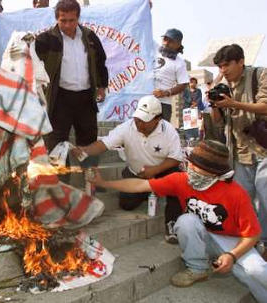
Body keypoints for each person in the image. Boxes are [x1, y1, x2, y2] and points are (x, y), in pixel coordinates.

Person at [88, 140, 267, 302]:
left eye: (195, 166)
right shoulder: (181, 180)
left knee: (256, 272)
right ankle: (197, 268)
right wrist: (104, 183)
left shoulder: (236, 193)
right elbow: (140, 185)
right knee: (185, 221)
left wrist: (232, 255)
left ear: (213, 172)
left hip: (232, 241)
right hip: (201, 236)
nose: (189, 168)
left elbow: (253, 234)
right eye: (189, 163)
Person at [73, 95, 183, 244]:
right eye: (137, 119)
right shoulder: (127, 127)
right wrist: (85, 150)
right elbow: (104, 144)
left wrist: (155, 170)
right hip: (136, 173)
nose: (139, 124)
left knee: (176, 181)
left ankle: (172, 224)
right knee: (127, 204)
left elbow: (175, 158)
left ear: (157, 119)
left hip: (162, 171)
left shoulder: (168, 131)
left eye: (144, 121)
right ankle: (148, 191)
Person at [35, 0, 108, 169]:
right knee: (56, 142)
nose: (67, 25)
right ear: (56, 19)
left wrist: (102, 86)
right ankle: (61, 185)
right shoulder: (46, 39)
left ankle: (91, 180)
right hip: (60, 98)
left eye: (71, 20)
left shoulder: (89, 37)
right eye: (63, 20)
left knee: (89, 139)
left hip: (85, 98)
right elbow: (28, 57)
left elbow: (100, 62)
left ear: (78, 18)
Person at [210, 44, 267, 260]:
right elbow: (218, 123)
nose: (223, 70)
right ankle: (252, 243)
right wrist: (216, 106)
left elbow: (265, 106)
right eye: (220, 66)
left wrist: (234, 103)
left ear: (240, 61)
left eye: (227, 65)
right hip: (240, 153)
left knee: (266, 199)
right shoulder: (222, 85)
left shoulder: (260, 75)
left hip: (263, 149)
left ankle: (264, 244)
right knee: (245, 202)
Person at [153, 28, 189, 122]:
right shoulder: (153, 50)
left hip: (162, 104)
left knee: (160, 134)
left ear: (178, 44)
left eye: (171, 41)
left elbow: (183, 84)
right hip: (143, 99)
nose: (166, 43)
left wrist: (165, 93)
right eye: (165, 39)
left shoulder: (179, 63)